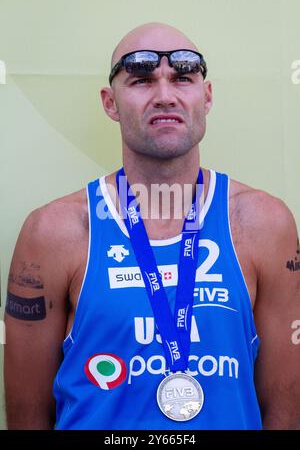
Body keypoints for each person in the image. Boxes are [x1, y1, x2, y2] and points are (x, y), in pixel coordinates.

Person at [4, 22, 300, 430]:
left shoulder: (264, 225)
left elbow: (285, 412)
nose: (165, 96)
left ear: (207, 97)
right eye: (142, 81)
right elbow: (26, 417)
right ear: (110, 103)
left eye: (182, 78)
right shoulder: (55, 233)